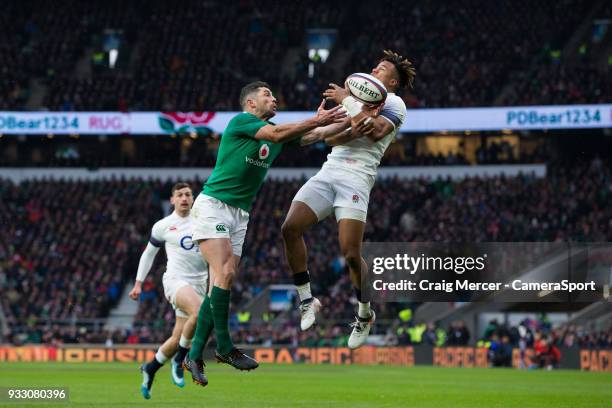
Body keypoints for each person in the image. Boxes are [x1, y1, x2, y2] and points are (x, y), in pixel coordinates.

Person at [183, 81, 347, 386]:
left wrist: (354, 117)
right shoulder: (242, 122)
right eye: (267, 95)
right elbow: (276, 133)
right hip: (214, 205)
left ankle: (193, 356)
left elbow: (318, 134)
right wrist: (315, 120)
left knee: (221, 282)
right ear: (251, 104)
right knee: (224, 272)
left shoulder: (278, 133)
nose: (274, 98)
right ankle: (224, 347)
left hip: (240, 215)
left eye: (273, 94)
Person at [282, 50, 416, 349]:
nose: (373, 68)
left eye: (380, 68)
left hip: (357, 177)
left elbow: (374, 131)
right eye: (375, 64)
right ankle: (307, 300)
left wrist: (348, 101)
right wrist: (349, 117)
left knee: (351, 255)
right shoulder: (358, 100)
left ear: (391, 81)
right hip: (330, 170)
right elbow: (332, 138)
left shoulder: (394, 103)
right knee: (290, 227)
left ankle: (365, 313)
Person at [129, 183, 208, 399]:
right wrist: (138, 283)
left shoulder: (203, 220)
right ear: (172, 200)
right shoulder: (163, 225)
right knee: (200, 312)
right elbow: (148, 254)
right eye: (180, 195)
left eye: (188, 194)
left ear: (193, 199)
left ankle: (150, 368)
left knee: (176, 338)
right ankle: (180, 360)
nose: (184, 198)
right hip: (175, 281)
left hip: (200, 284)